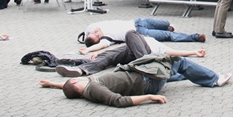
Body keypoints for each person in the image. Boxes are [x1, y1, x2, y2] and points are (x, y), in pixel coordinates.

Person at [40, 33, 231, 108]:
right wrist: (150, 98)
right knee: (178, 61)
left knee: (171, 68)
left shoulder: (86, 89)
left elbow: (70, 87)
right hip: (148, 82)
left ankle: (187, 75)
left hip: (143, 76)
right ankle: (214, 79)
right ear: (75, 82)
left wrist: (52, 84)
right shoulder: (94, 89)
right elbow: (119, 101)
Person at [59, 30, 208, 76]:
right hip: (130, 53)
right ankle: (82, 70)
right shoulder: (136, 41)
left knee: (130, 33)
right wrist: (98, 54)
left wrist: (193, 52)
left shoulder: (155, 44)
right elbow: (112, 50)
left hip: (147, 55)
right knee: (109, 55)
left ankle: (146, 65)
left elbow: (172, 52)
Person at [79, 19, 206, 54]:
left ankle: (166, 26)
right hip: (140, 32)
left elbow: (87, 33)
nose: (96, 32)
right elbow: (101, 46)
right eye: (97, 35)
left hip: (137, 21)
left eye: (93, 32)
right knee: (169, 36)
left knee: (165, 23)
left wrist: (88, 35)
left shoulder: (92, 27)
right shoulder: (107, 38)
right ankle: (195, 37)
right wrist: (88, 49)